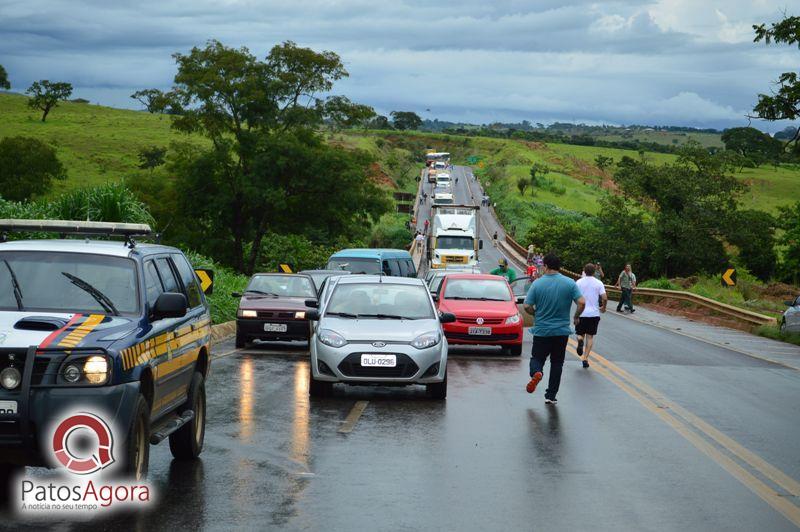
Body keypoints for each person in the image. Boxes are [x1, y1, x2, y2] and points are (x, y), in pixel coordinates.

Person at [523, 253, 586, 404]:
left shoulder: (537, 284)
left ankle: (537, 372)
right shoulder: (570, 283)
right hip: (561, 332)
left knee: (537, 358)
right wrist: (576, 316)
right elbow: (582, 302)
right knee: (557, 363)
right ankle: (551, 395)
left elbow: (526, 306)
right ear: (559, 267)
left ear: (545, 266)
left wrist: (536, 313)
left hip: (542, 330)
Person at [575, 263, 607, 368]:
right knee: (590, 337)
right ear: (594, 272)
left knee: (580, 333)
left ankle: (579, 340)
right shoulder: (598, 283)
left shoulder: (578, 282)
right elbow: (604, 297)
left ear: (584, 270)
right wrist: (603, 307)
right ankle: (585, 358)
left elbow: (574, 296)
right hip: (593, 313)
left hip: (581, 312)